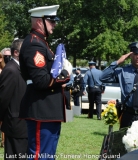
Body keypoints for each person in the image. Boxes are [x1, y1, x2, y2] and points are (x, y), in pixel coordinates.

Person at [19, 5, 70, 159]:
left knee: (47, 155)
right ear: (40, 22)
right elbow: (41, 81)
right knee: (40, 155)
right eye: (51, 21)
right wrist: (66, 75)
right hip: (41, 110)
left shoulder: (42, 43)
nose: (55, 24)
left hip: (47, 111)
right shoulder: (34, 44)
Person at [0, 39, 28, 159]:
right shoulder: (11, 70)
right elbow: (3, 99)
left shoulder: (20, 69)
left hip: (22, 124)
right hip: (15, 124)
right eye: (26, 51)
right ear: (16, 53)